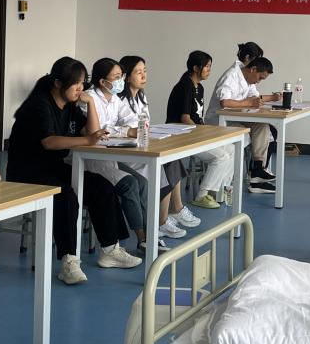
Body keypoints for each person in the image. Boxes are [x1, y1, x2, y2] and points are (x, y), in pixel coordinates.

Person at [5, 57, 139, 286]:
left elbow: (92, 132)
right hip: (27, 172)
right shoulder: (40, 105)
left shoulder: (69, 106)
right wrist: (87, 140)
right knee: (66, 195)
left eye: (82, 82)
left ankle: (110, 250)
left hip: (53, 168)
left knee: (101, 186)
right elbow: (49, 142)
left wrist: (91, 103)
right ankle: (69, 261)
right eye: (75, 83)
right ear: (58, 83)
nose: (80, 88)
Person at [78, 58, 171, 255]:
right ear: (103, 81)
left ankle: (150, 234)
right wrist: (123, 130)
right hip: (90, 159)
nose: (121, 81)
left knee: (143, 183)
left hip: (109, 156)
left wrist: (125, 129)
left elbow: (132, 122)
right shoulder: (88, 98)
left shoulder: (115, 98)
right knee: (130, 184)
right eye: (117, 77)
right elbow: (97, 131)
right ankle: (142, 239)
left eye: (122, 76)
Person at [116, 54, 200, 243]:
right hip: (126, 154)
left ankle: (168, 215)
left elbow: (145, 126)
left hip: (143, 148)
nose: (143, 75)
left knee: (172, 160)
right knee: (165, 165)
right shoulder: (119, 100)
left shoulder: (141, 98)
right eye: (138, 72)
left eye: (145, 71)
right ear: (127, 77)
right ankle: (164, 218)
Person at [206, 48, 280, 192]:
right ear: (253, 69)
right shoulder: (231, 75)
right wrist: (249, 103)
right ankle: (231, 182)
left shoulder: (249, 79)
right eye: (260, 78)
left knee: (263, 127)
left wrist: (268, 99)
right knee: (246, 135)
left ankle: (257, 169)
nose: (259, 82)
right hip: (218, 120)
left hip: (236, 117)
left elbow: (254, 97)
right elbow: (225, 102)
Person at [168, 50, 233, 210]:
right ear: (196, 68)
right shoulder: (185, 86)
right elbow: (185, 119)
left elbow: (197, 117)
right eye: (207, 66)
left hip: (195, 133)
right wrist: (203, 133)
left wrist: (205, 131)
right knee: (221, 157)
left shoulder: (200, 87)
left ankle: (220, 191)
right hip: (182, 135)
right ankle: (202, 195)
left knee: (232, 149)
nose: (209, 70)